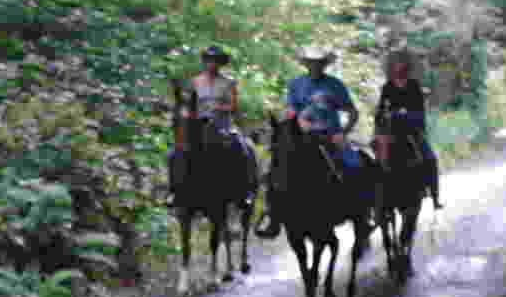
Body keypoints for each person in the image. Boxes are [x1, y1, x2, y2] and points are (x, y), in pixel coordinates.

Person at [256, 47, 367, 238]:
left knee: (354, 163)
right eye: (311, 63)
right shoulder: (296, 84)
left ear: (324, 65)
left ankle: (361, 212)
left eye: (319, 63)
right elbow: (291, 111)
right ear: (306, 64)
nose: (315, 66)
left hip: (331, 135)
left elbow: (352, 112)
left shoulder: (335, 85)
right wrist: (297, 122)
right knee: (274, 169)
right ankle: (273, 216)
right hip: (303, 136)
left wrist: (343, 132)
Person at [168, 46, 257, 203]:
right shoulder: (195, 81)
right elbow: (188, 103)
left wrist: (218, 107)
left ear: (220, 63)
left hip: (222, 124)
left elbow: (234, 106)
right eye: (209, 60)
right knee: (175, 152)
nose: (211, 64)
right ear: (204, 62)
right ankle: (174, 190)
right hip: (198, 123)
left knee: (244, 148)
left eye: (215, 61)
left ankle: (246, 190)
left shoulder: (228, 82)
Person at [373, 50, 443, 209]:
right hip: (390, 131)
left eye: (402, 67)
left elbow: (419, 110)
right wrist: (383, 115)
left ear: (407, 69)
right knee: (375, 155)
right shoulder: (387, 87)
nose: (399, 70)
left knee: (430, 158)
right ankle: (374, 198)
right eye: (396, 67)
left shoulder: (414, 85)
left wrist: (405, 114)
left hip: (411, 130)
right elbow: (381, 109)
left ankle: (434, 195)